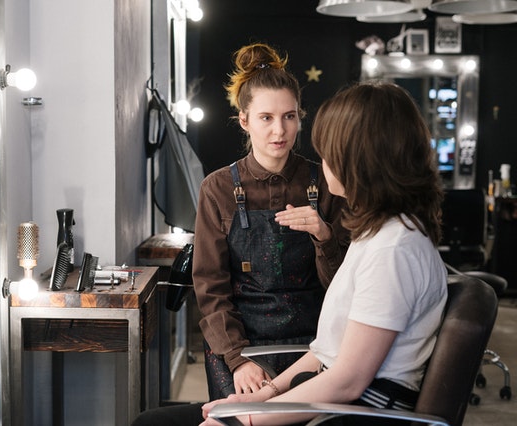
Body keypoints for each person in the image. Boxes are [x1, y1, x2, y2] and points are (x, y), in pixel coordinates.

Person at [132, 81, 447, 426]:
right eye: (266, 117)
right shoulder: (377, 234)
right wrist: (265, 395)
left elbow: (348, 381)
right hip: (323, 388)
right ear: (245, 120)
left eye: (329, 153)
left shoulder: (393, 249)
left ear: (358, 160)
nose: (321, 163)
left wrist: (244, 420)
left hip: (351, 410)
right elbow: (327, 351)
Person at [193, 42, 350, 400]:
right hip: (239, 343)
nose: (279, 130)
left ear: (300, 117)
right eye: (266, 118)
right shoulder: (216, 189)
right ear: (244, 120)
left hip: (316, 343)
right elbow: (210, 286)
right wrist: (237, 358)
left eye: (289, 116)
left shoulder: (327, 182)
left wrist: (324, 235)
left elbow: (345, 286)